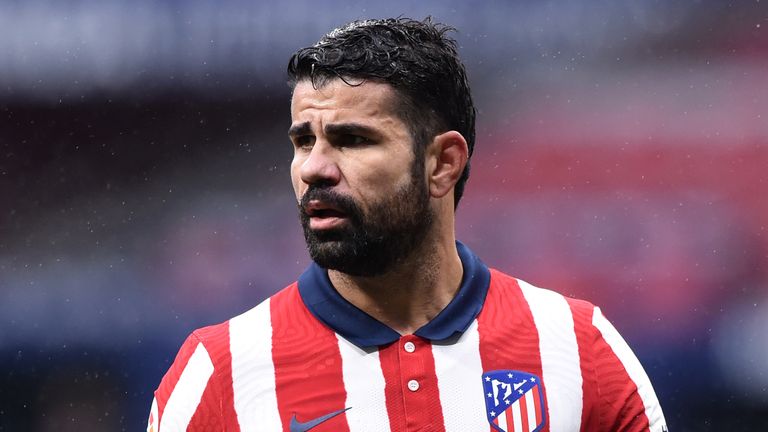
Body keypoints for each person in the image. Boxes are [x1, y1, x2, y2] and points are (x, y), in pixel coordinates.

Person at [147, 17, 667, 432]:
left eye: (352, 139)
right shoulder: (218, 373)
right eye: (304, 141)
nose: (313, 168)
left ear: (442, 163)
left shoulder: (580, 350)